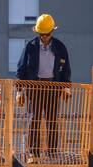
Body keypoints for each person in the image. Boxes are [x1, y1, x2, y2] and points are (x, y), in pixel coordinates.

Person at [14, 13, 71, 159]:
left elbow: (66, 70)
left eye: (46, 34)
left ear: (52, 32)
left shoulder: (60, 47)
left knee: (52, 120)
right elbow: (21, 68)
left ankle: (52, 152)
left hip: (53, 88)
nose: (44, 37)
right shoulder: (30, 46)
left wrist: (66, 87)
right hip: (35, 87)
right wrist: (19, 91)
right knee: (35, 119)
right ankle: (34, 152)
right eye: (41, 34)